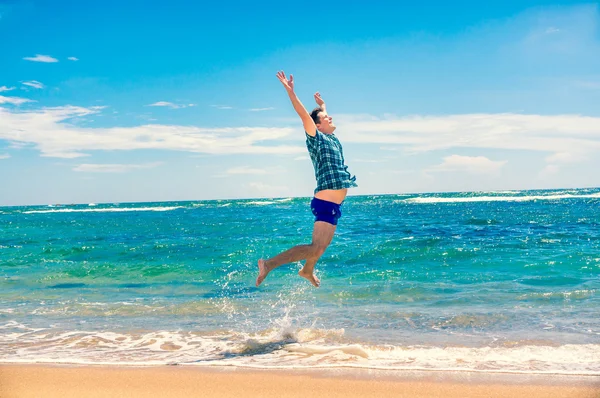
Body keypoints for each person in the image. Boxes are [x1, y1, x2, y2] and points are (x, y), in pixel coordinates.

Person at [256, 71, 357, 288]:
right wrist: (290, 92)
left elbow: (322, 117)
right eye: (326, 117)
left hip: (334, 205)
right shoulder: (316, 138)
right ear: (318, 126)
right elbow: (304, 115)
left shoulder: (331, 138)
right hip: (325, 201)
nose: (330, 117)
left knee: (319, 248)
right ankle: (268, 264)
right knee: (315, 248)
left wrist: (323, 106)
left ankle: (307, 270)